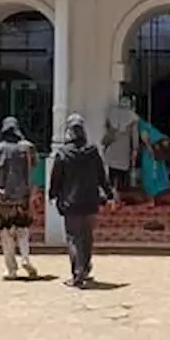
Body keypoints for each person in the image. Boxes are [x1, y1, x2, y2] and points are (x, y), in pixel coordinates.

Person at [49, 113, 117, 288]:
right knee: (87, 237)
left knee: (73, 238)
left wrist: (52, 194)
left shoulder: (63, 154)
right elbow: (102, 176)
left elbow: (56, 178)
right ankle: (84, 268)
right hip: (90, 202)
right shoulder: (92, 152)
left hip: (70, 203)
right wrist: (109, 195)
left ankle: (78, 272)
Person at [0, 116, 40, 280]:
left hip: (4, 197)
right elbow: (35, 164)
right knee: (23, 230)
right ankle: (25, 257)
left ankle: (11, 270)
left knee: (6, 233)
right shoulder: (27, 147)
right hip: (23, 196)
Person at [102, 97, 139, 199]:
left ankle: (111, 196)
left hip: (112, 147)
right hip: (124, 149)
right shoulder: (132, 118)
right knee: (122, 174)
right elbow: (135, 136)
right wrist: (135, 150)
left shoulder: (112, 115)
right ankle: (120, 197)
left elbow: (107, 130)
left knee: (112, 173)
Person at [136, 117, 170, 207]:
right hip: (157, 154)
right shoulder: (149, 126)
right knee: (156, 175)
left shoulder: (141, 126)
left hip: (151, 155)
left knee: (149, 176)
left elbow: (145, 138)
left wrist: (150, 151)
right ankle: (156, 199)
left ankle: (151, 201)